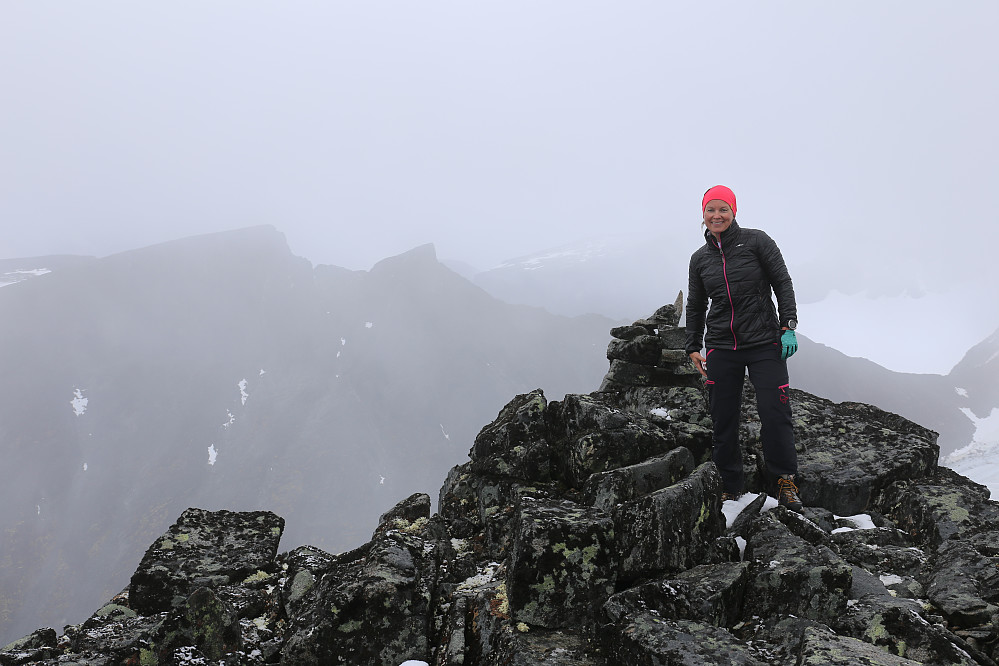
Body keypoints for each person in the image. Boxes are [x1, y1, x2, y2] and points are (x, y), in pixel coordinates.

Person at [684, 185, 803, 512]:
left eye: (723, 209)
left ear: (733, 212)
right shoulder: (699, 259)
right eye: (711, 210)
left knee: (775, 413)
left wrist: (788, 326)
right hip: (722, 346)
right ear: (703, 215)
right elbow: (695, 305)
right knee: (723, 417)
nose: (717, 215)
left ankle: (784, 482)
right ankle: (730, 483)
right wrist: (693, 345)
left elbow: (782, 282)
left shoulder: (756, 241)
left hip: (765, 342)